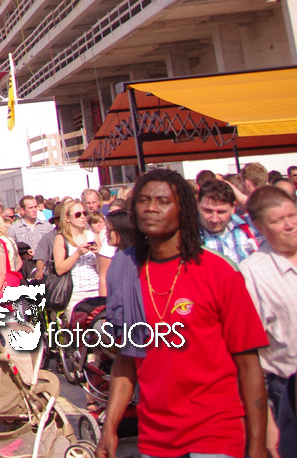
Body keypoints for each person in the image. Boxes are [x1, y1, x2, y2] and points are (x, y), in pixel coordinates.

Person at [97, 168, 268, 458]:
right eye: (143, 200)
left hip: (216, 434)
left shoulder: (218, 271)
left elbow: (249, 365)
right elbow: (126, 361)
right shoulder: (124, 270)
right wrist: (110, 427)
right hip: (155, 438)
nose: (151, 208)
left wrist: (258, 446)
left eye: (163, 201)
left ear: (184, 211)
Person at [241, 186, 297, 458]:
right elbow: (247, 353)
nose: (290, 225)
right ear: (260, 227)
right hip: (288, 393)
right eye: (278, 220)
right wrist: (267, 422)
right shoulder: (252, 274)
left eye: (293, 216)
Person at [53, 199, 103, 319]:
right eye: (78, 214)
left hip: (96, 289)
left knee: (100, 329)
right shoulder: (61, 238)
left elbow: (103, 269)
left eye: (84, 213)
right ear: (67, 218)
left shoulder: (92, 235)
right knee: (79, 329)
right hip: (75, 293)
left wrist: (98, 255)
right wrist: (77, 254)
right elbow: (59, 269)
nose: (82, 217)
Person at [199, 177, 261, 266]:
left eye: (221, 212)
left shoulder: (248, 225)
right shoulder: (187, 235)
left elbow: (275, 214)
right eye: (208, 211)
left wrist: (243, 200)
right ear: (197, 205)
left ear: (233, 208)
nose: (214, 219)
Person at [7, 196, 53, 271]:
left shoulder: (47, 226)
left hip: (45, 269)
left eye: (35, 207)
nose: (34, 210)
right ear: (23, 210)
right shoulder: (14, 229)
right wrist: (23, 253)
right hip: (26, 269)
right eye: (31, 208)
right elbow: (10, 250)